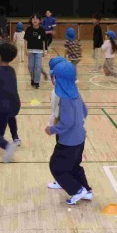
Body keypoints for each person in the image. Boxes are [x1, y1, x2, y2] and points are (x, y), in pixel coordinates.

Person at [45, 61, 93, 205]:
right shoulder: (76, 93)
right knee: (74, 165)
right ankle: (87, 190)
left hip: (68, 142)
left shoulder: (65, 99)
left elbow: (67, 123)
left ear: (58, 78)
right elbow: (85, 111)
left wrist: (52, 129)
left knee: (56, 167)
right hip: (80, 137)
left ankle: (77, 190)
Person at [25, 13, 47, 89]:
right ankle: (32, 79)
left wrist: (45, 50)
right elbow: (26, 40)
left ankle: (36, 82)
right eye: (33, 19)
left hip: (39, 51)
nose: (35, 20)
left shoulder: (42, 30)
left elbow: (44, 41)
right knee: (30, 66)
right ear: (31, 20)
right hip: (30, 50)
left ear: (40, 21)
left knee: (38, 66)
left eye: (37, 19)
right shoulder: (28, 29)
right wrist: (25, 50)